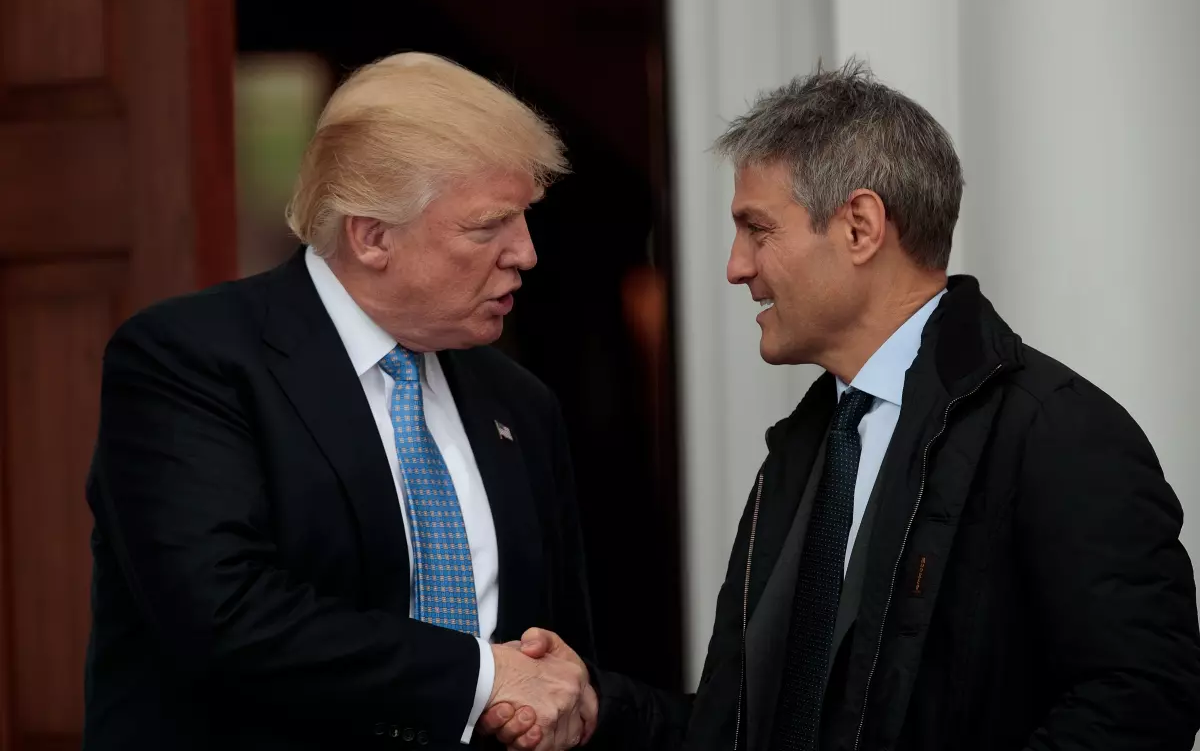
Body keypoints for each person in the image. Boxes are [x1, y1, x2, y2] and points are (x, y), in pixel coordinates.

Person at [492, 61, 1200, 751]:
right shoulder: (810, 447)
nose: (736, 266)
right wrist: (598, 707)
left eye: (758, 229)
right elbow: (753, 725)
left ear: (860, 226)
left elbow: (1142, 702)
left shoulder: (1058, 429)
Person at [84, 52, 598, 751]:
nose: (526, 253)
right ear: (372, 235)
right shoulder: (191, 360)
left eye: (526, 220)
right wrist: (481, 676)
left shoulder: (521, 404)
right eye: (489, 227)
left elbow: (554, 657)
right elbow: (224, 613)